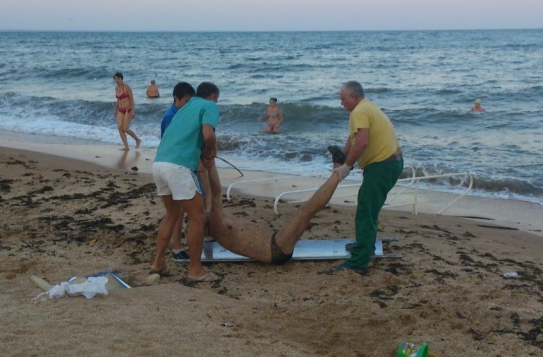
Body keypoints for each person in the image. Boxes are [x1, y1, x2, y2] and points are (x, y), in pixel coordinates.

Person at [202, 150, 346, 264]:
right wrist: (206, 165)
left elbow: (215, 192)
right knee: (306, 210)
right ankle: (338, 172)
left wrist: (210, 162)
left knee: (306, 211)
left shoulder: (215, 217)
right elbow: (209, 189)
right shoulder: (211, 223)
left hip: (274, 240)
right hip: (275, 248)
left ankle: (337, 171)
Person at [329, 81, 403, 274]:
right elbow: (353, 138)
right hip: (389, 164)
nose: (341, 103)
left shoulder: (359, 111)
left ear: (352, 97)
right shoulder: (366, 107)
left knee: (365, 210)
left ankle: (358, 263)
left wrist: (346, 166)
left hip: (382, 165)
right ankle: (366, 245)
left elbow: (361, 143)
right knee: (369, 208)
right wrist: (343, 156)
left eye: (342, 99)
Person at [151, 82, 220, 281]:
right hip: (177, 167)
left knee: (172, 214)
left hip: (159, 162)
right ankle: (195, 270)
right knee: (197, 216)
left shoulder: (185, 107)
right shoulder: (210, 106)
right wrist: (212, 152)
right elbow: (208, 134)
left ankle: (158, 263)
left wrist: (202, 152)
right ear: (213, 96)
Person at [159, 82, 196, 262]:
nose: (188, 105)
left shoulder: (182, 114)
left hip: (178, 165)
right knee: (176, 211)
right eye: (186, 101)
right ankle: (177, 248)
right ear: (176, 99)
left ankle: (176, 247)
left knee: (178, 210)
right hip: (172, 166)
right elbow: (169, 142)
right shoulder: (170, 116)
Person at [113, 72, 142, 151]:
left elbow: (132, 99)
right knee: (120, 127)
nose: (117, 80)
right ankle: (126, 146)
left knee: (125, 128)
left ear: (121, 79)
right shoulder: (116, 88)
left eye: (118, 79)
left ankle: (137, 140)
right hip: (120, 109)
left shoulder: (126, 87)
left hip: (128, 109)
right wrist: (115, 109)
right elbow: (118, 100)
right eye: (115, 79)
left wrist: (133, 109)